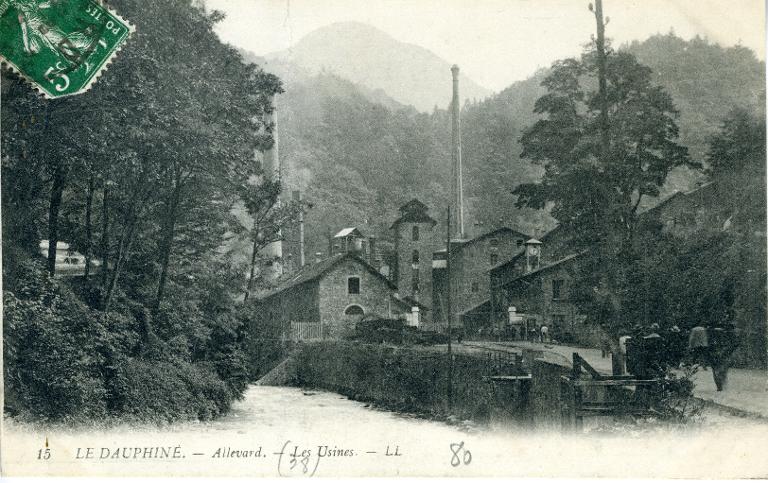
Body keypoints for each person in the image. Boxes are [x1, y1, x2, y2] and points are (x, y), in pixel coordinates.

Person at [707, 323, 739, 391]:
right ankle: (721, 385)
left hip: (717, 356)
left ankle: (720, 386)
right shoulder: (725, 336)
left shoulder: (712, 337)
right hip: (721, 356)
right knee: (722, 371)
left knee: (717, 371)